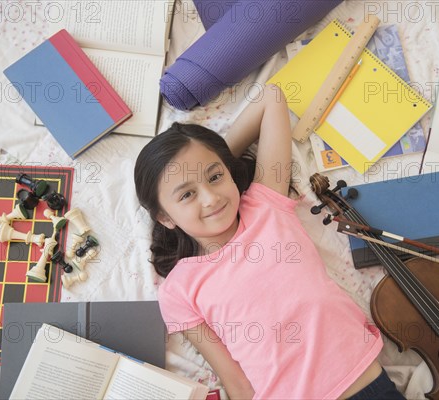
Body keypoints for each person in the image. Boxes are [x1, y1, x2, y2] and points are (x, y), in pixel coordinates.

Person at [134, 84, 405, 399]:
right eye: (187, 194)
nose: (210, 199)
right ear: (165, 218)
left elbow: (272, 98)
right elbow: (235, 382)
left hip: (363, 385)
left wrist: (209, 156)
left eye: (215, 177)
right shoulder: (178, 290)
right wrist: (204, 167)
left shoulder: (265, 205)